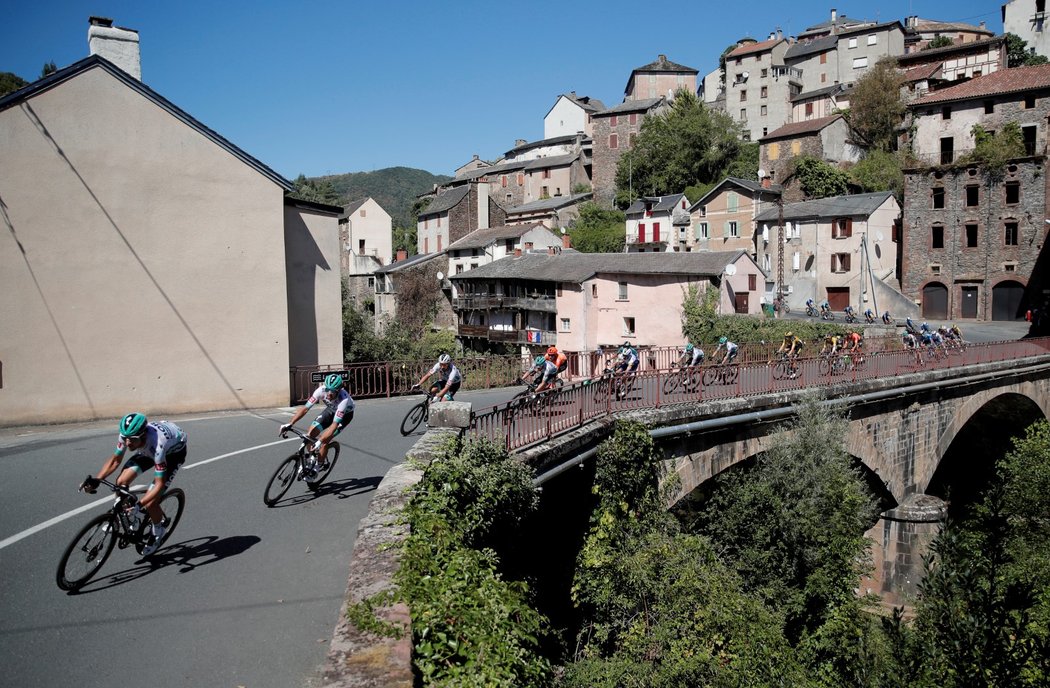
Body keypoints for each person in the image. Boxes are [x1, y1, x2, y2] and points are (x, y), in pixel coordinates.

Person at [80, 413, 188, 556]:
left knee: (151, 503)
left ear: (143, 436)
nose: (127, 443)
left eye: (132, 440)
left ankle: (158, 531)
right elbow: (115, 461)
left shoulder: (158, 445)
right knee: (120, 482)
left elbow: (159, 484)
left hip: (172, 454)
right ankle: (131, 519)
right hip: (147, 450)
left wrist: (140, 504)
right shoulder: (127, 435)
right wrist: (97, 480)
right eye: (125, 439)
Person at [281, 372, 354, 474]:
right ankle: (311, 459)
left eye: (332, 391)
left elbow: (334, 425)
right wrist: (290, 423)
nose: (328, 393)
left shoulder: (344, 400)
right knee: (310, 435)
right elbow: (305, 408)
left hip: (344, 416)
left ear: (338, 390)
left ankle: (318, 466)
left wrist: (320, 441)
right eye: (327, 389)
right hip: (331, 410)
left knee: (324, 441)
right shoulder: (321, 390)